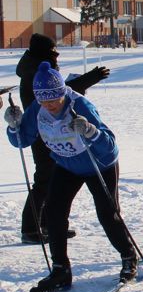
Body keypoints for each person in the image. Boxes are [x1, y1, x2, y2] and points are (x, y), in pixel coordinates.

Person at [5, 61, 136, 292]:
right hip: (67, 164)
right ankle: (60, 270)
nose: (50, 105)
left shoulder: (81, 105)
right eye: (44, 100)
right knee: (54, 211)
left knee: (107, 214)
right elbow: (21, 140)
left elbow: (109, 146)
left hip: (99, 163)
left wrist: (90, 131)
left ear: (62, 93)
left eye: (54, 99)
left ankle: (128, 257)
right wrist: (13, 125)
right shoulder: (38, 109)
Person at [15, 33, 109, 244]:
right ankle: (30, 228)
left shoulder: (36, 66)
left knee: (53, 178)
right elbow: (58, 95)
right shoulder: (34, 73)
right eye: (53, 53)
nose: (57, 57)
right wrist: (88, 79)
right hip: (42, 133)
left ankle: (50, 223)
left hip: (54, 130)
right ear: (44, 54)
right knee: (44, 179)